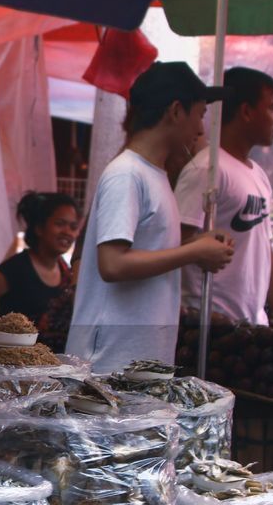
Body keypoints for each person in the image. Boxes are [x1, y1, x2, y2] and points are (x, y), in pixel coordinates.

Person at [65, 61, 235, 374]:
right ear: (175, 111)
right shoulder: (127, 174)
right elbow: (113, 264)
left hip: (136, 361)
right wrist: (194, 252)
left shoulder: (154, 174)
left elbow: (146, 249)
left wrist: (197, 244)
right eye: (199, 115)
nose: (201, 128)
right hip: (109, 364)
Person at [176, 66, 273, 325]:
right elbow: (173, 245)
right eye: (272, 107)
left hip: (251, 324)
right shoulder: (207, 169)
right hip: (211, 328)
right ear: (247, 112)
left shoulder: (258, 174)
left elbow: (265, 247)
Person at [0, 191, 80, 330]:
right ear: (39, 228)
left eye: (73, 227)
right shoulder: (17, 268)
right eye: (60, 224)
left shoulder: (66, 270)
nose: (67, 232)